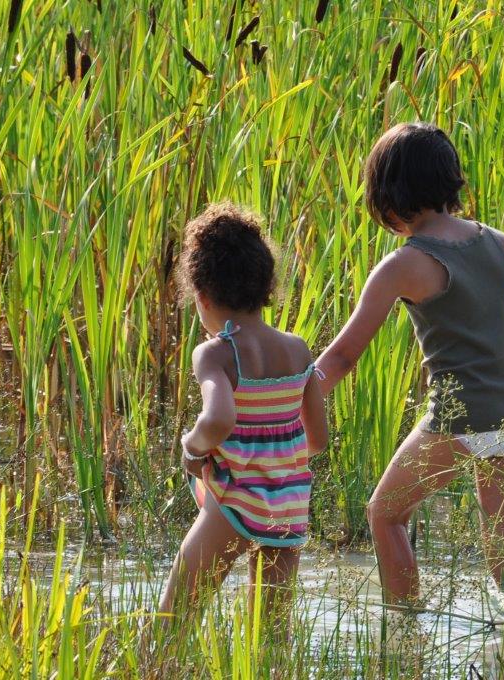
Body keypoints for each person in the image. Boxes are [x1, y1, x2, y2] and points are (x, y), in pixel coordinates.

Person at [316, 122, 504, 619]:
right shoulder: (492, 241)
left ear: (387, 198)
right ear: (448, 182)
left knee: (386, 515)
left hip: (460, 418)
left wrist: (290, 391)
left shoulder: (404, 264)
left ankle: (404, 633)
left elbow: (342, 357)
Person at [157, 202, 329, 635]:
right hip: (287, 508)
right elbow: (318, 439)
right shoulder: (297, 349)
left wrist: (191, 447)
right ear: (265, 287)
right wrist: (274, 463)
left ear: (202, 296)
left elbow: (217, 419)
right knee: (270, 640)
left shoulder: (216, 353)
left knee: (169, 624)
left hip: (233, 504)